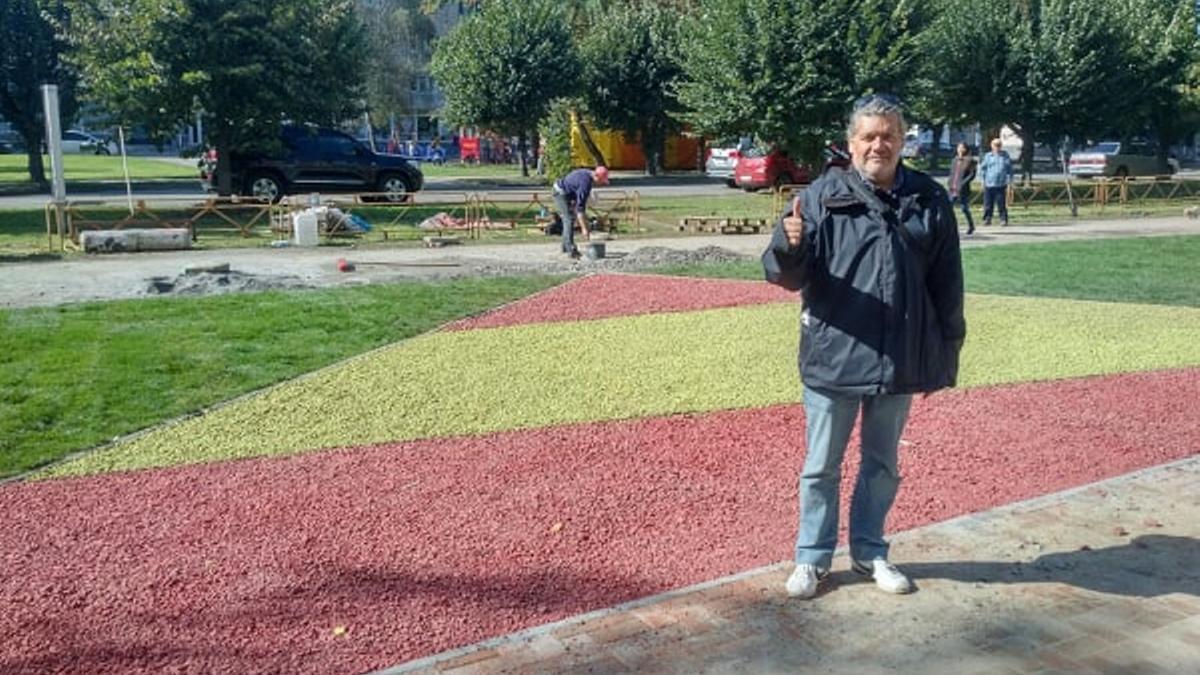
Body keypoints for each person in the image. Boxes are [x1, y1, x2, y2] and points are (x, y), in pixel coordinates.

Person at [762, 93, 966, 600]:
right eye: (869, 135)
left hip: (900, 357)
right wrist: (789, 245)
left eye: (889, 135)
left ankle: (870, 550)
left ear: (903, 141)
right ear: (852, 143)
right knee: (820, 466)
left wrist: (947, 352)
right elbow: (784, 276)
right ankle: (811, 558)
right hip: (835, 355)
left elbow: (948, 285)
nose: (880, 144)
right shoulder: (819, 198)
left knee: (883, 464)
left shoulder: (928, 199)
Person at [551, 165, 609, 258]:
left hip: (567, 193)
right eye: (602, 181)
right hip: (560, 193)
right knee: (569, 219)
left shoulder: (588, 176)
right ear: (597, 176)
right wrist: (584, 229)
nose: (601, 183)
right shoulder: (585, 183)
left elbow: (579, 204)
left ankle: (565, 247)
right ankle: (571, 250)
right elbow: (580, 210)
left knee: (569, 218)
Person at [978, 138, 1012, 226]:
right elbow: (982, 169)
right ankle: (987, 219)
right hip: (989, 183)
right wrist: (982, 181)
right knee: (988, 204)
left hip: (1001, 184)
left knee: (1001, 204)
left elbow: (1009, 170)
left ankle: (1003, 219)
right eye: (995, 145)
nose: (997, 147)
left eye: (999, 145)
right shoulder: (988, 156)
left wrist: (1009, 182)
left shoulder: (1005, 156)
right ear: (992, 146)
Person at [948, 142, 978, 235]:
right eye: (958, 147)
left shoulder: (970, 160)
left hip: (963, 189)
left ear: (966, 149)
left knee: (964, 208)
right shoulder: (955, 160)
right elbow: (952, 173)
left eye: (962, 148)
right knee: (948, 208)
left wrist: (963, 183)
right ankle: (950, 227)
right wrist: (950, 182)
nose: (960, 149)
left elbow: (972, 175)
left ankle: (971, 226)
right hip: (953, 188)